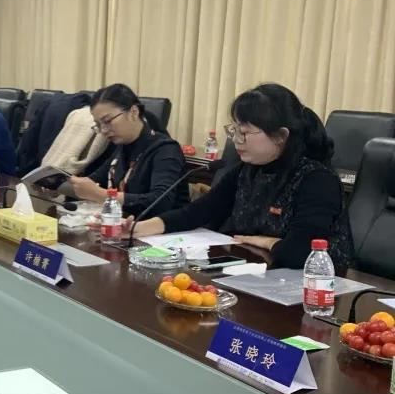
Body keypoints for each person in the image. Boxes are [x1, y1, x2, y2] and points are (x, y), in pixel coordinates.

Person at [131, 83, 353, 271]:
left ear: (281, 136)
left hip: (316, 288)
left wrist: (267, 242)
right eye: (234, 130)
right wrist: (139, 228)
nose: (236, 140)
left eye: (245, 132)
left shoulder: (317, 180)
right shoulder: (246, 169)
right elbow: (198, 212)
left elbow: (300, 252)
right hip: (255, 271)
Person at [58, 84, 188, 216]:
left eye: (107, 121)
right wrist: (59, 184)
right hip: (124, 222)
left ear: (134, 112)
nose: (103, 130)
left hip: (163, 227)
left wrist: (102, 195)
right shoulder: (122, 145)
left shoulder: (166, 149)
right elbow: (95, 179)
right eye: (98, 125)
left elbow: (160, 202)